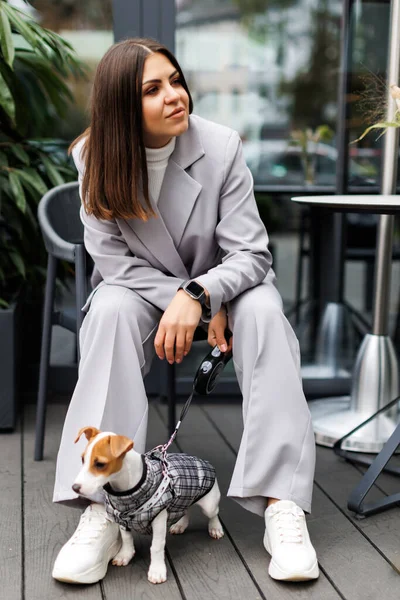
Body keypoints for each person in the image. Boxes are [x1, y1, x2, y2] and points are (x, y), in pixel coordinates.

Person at [52, 37, 318, 585]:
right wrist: (185, 298)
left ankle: (279, 504)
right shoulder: (92, 156)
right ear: (122, 106)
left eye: (176, 80)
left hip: (228, 282)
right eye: (153, 89)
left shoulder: (221, 147)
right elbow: (113, 260)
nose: (175, 96)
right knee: (110, 313)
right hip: (140, 288)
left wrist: (201, 295)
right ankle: (104, 508)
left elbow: (251, 252)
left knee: (266, 313)